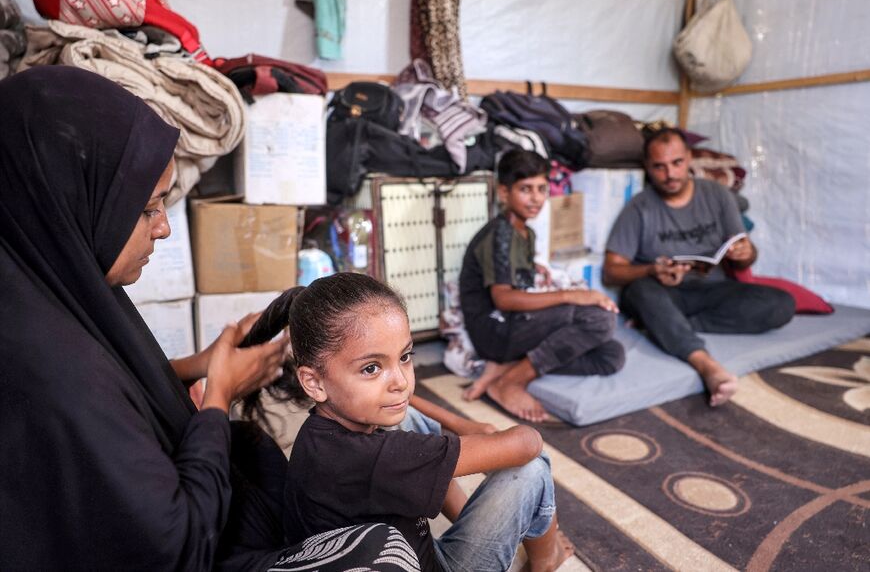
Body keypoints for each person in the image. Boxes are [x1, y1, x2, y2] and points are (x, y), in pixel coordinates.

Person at [0, 66, 419, 571]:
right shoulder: (53, 375)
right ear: (73, 201)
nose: (162, 230)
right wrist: (217, 397)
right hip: (174, 551)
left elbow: (113, 387)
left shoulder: (49, 285)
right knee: (383, 553)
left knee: (254, 457)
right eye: (147, 209)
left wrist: (197, 368)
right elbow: (175, 548)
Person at [267, 272, 571, 572]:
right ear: (314, 382)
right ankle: (546, 560)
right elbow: (526, 442)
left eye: (405, 357)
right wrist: (478, 438)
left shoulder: (323, 435)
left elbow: (404, 404)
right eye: (372, 368)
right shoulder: (372, 459)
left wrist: (460, 424)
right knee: (531, 465)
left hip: (404, 552)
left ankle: (472, 521)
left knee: (407, 418)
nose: (400, 381)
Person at [602, 127, 796, 406]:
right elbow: (611, 270)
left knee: (781, 304)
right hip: (662, 293)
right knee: (641, 292)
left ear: (689, 158)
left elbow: (747, 256)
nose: (670, 174)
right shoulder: (639, 207)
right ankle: (705, 364)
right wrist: (651, 270)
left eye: (677, 163)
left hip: (711, 292)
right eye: (659, 167)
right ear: (648, 167)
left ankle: (666, 327)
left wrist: (745, 252)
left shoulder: (717, 195)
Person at [459, 149, 625, 422]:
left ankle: (510, 366)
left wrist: (531, 268)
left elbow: (509, 271)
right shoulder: (500, 232)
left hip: (514, 327)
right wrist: (571, 296)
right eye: (525, 189)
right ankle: (510, 383)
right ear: (504, 193)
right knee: (600, 319)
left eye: (541, 188)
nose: (536, 198)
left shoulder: (526, 232)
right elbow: (504, 299)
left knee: (611, 355)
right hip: (494, 329)